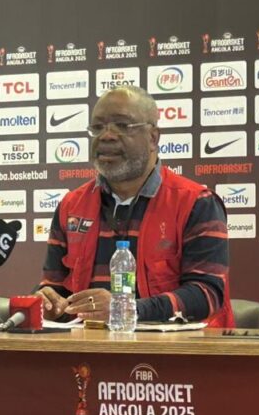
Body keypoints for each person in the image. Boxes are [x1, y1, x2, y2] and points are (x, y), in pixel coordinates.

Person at [39, 86, 233, 325]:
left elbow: (207, 295)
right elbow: (55, 288)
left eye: (122, 125)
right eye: (98, 127)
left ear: (153, 138)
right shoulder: (71, 206)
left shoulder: (196, 203)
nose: (106, 136)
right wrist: (48, 302)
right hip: (89, 344)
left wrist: (126, 309)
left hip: (178, 346)